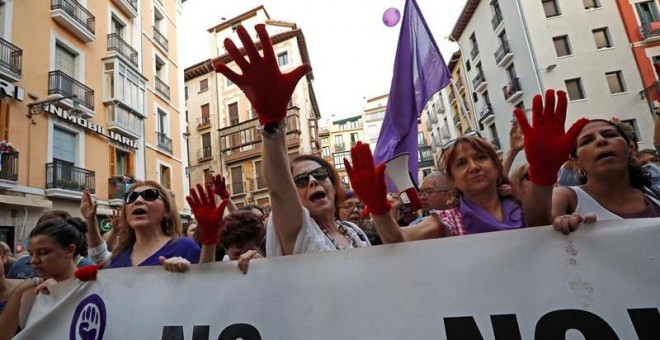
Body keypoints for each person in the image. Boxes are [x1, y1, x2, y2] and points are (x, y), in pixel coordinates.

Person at [214, 24, 403, 260]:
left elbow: (399, 254)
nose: (313, 181)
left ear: (334, 185)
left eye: (321, 174)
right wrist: (272, 121)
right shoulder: (300, 230)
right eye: (301, 181)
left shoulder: (354, 231)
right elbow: (279, 190)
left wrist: (379, 208)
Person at [548, 119, 660, 233]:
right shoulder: (566, 197)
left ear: (630, 148)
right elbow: (540, 220)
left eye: (610, 135)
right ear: (576, 163)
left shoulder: (656, 195)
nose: (601, 140)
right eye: (586, 141)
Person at [81, 182, 200, 270]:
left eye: (149, 195)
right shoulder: (120, 254)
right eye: (131, 197)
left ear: (167, 211)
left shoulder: (186, 247)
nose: (138, 200)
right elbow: (99, 256)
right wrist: (90, 220)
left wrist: (188, 274)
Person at [0, 217, 88, 337]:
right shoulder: (28, 290)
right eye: (31, 254)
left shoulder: (90, 286)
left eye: (43, 252)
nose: (34, 260)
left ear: (69, 250)